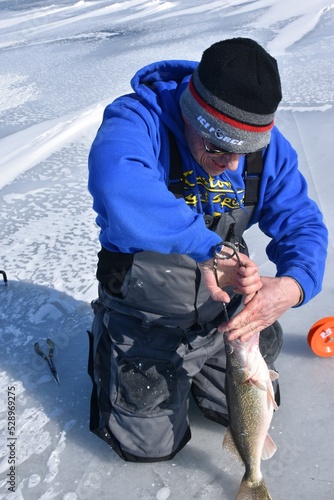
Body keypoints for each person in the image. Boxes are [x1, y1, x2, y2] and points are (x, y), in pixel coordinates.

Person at [87, 38, 328, 462]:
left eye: (246, 151)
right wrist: (209, 250)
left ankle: (208, 364)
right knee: (147, 446)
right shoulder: (137, 120)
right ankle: (112, 346)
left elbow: (302, 223)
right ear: (189, 115)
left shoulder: (266, 147)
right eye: (219, 148)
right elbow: (118, 188)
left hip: (223, 311)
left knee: (239, 414)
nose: (234, 164)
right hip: (148, 310)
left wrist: (292, 286)